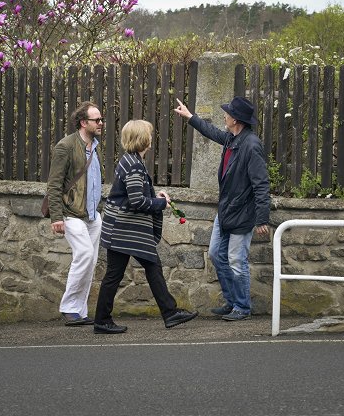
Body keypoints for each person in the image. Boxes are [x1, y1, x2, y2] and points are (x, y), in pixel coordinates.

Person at [93, 120, 198, 334]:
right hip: (123, 230)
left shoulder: (131, 160)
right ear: (144, 139)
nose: (152, 138)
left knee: (148, 266)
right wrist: (162, 203)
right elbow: (136, 201)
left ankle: (169, 313)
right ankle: (103, 321)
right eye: (149, 135)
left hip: (124, 229)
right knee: (118, 273)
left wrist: (155, 195)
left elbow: (135, 195)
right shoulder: (133, 165)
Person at [174, 96, 270, 321]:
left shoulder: (251, 145)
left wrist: (262, 218)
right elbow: (212, 132)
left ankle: (243, 307)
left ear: (235, 119)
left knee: (237, 260)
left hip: (243, 213)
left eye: (227, 113)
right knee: (217, 255)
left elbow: (261, 184)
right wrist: (190, 116)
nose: (224, 116)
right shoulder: (232, 139)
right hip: (226, 210)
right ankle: (232, 301)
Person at [47, 101, 104, 326]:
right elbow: (54, 184)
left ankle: (79, 311)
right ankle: (69, 307)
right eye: (96, 120)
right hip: (71, 213)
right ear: (83, 122)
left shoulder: (95, 146)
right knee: (84, 255)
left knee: (90, 261)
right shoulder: (66, 146)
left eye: (100, 119)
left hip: (91, 214)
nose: (100, 123)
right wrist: (56, 217)